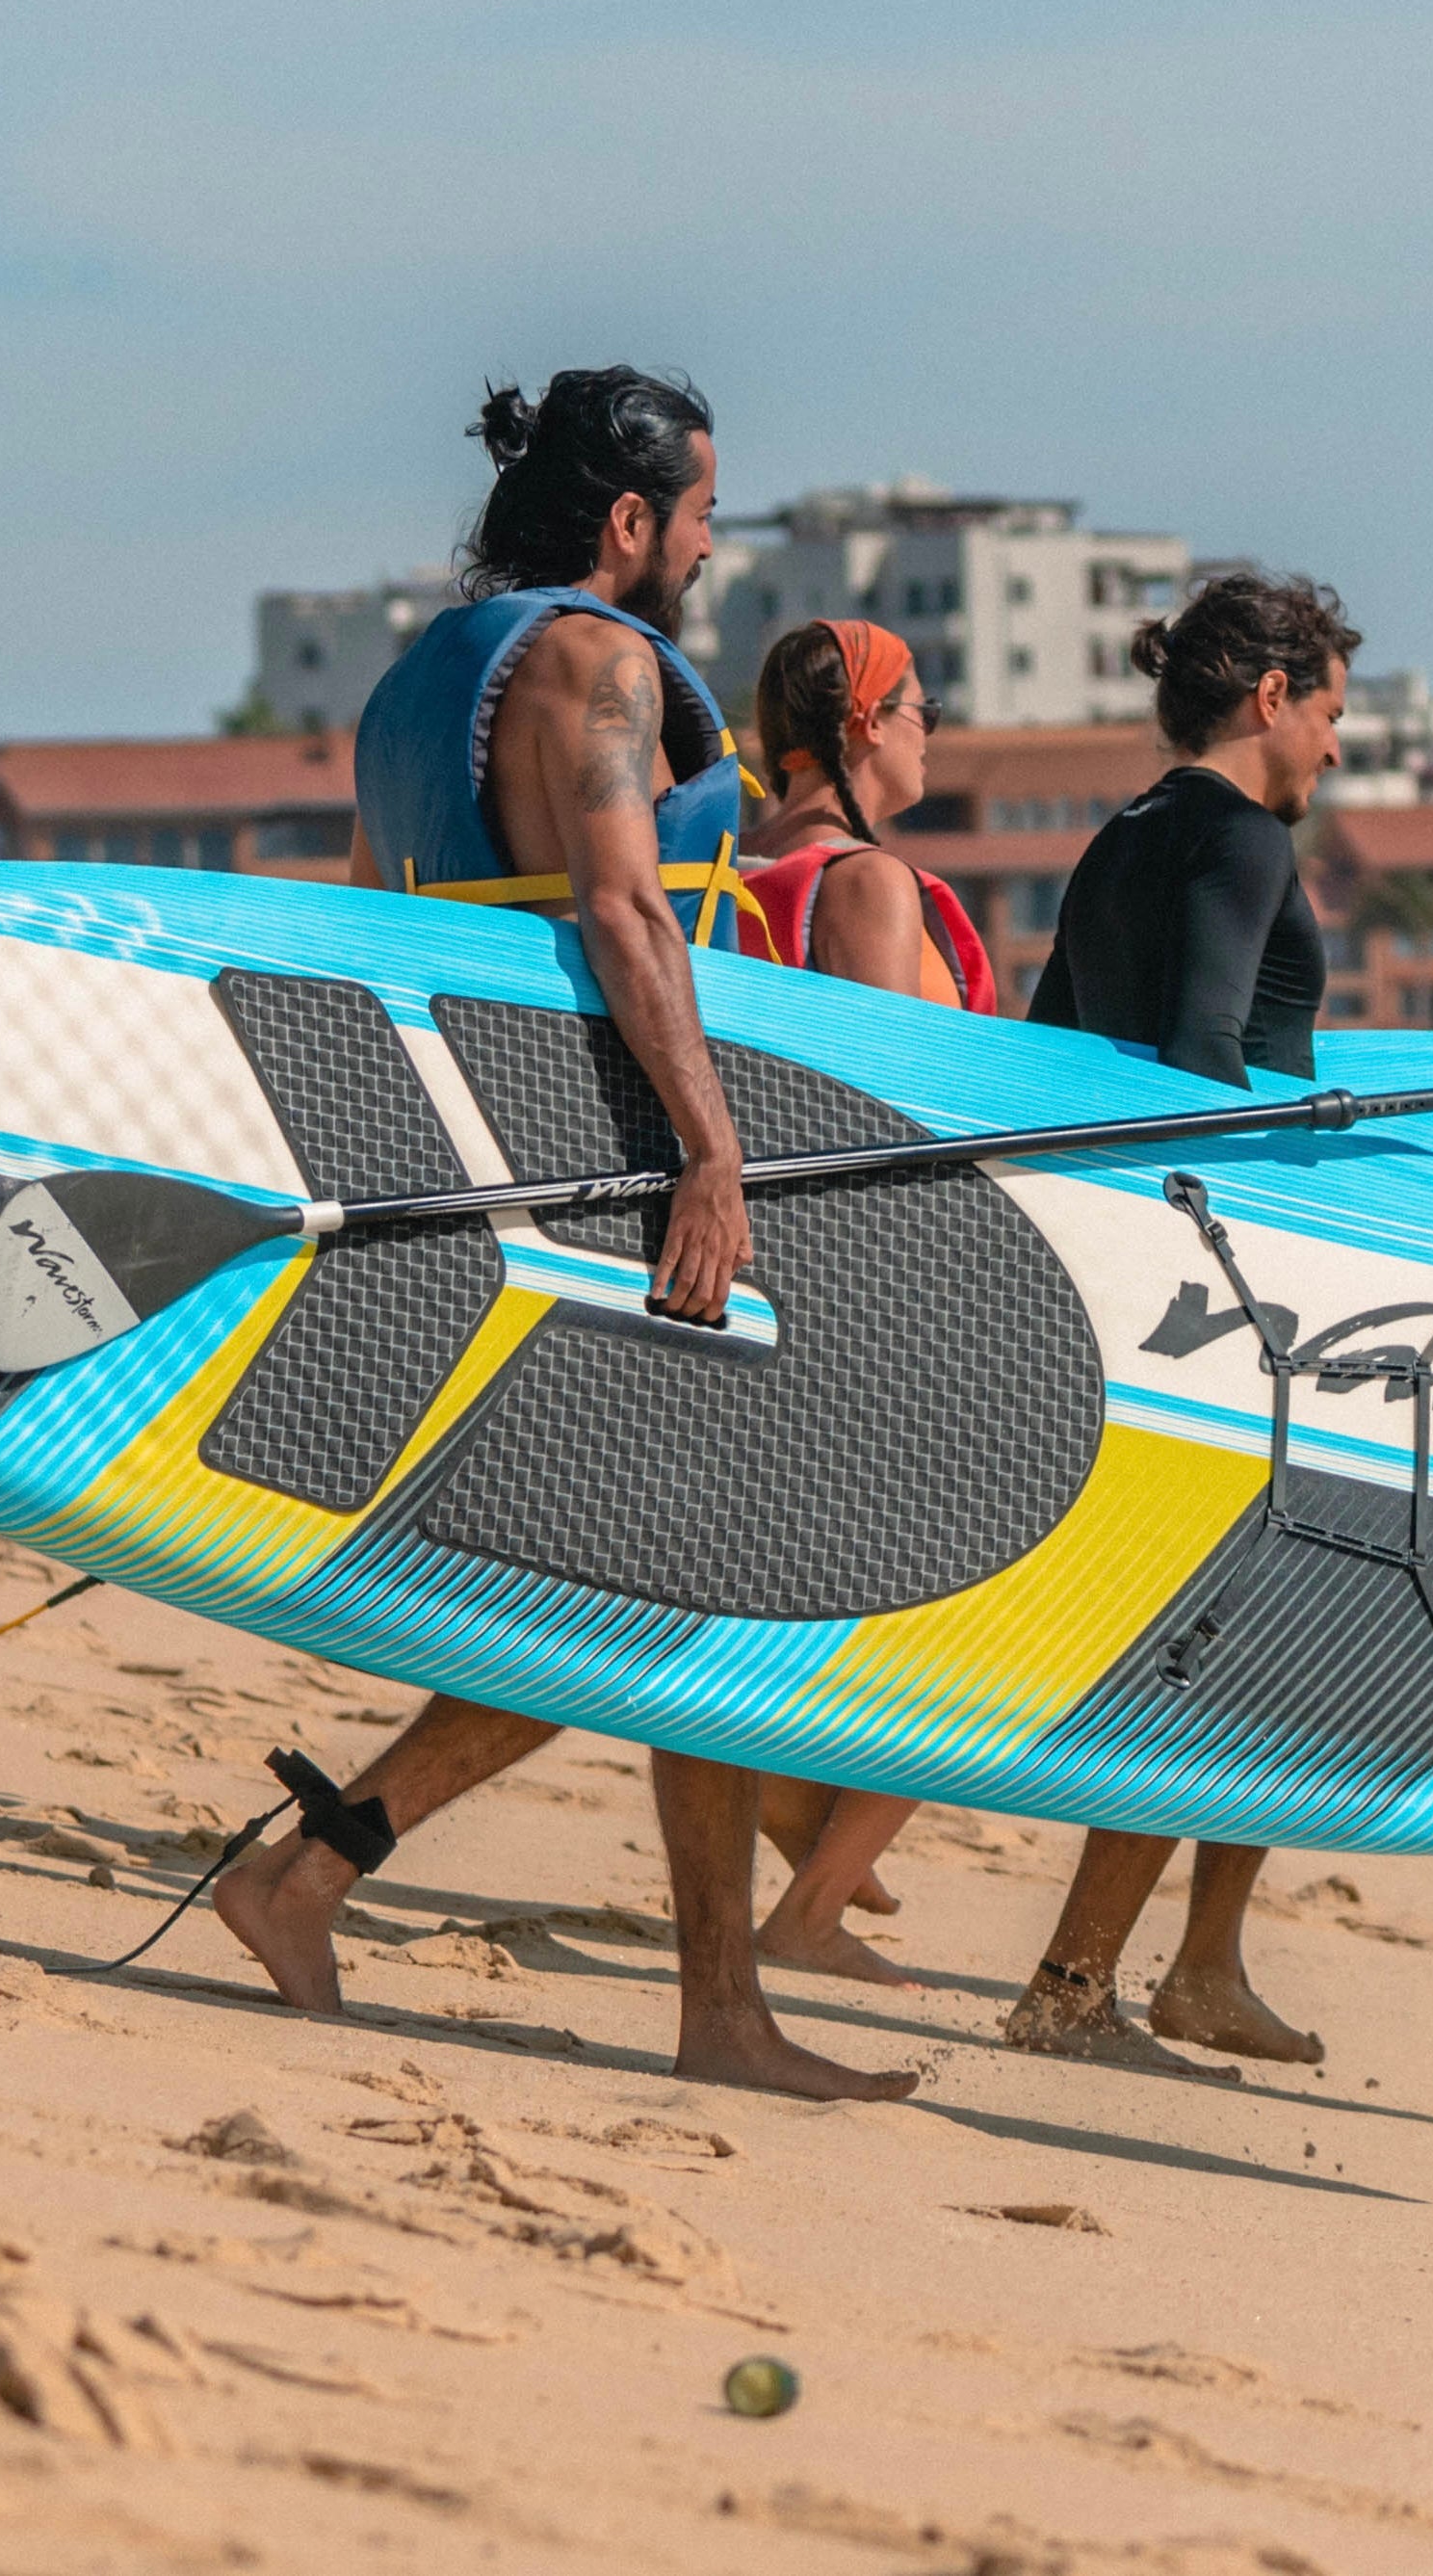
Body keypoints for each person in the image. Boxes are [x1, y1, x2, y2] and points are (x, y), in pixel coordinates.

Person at [212, 365, 915, 2106]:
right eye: (695, 515)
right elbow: (619, 911)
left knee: (639, 1588)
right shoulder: (595, 664)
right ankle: (702, 2010)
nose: (702, 547)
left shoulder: (409, 688)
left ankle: (323, 1882)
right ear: (627, 520)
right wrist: (712, 1151)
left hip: (492, 1155)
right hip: (609, 1166)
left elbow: (392, 931)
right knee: (675, 1582)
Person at [1003, 567, 1361, 2081]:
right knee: (1216, 1636)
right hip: (1223, 1286)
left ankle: (1202, 1962)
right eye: (1333, 710)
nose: (1339, 746)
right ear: (1269, 696)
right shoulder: (1236, 837)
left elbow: (1039, 1052)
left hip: (1131, 1260)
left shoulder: (1124, 835)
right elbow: (1203, 1058)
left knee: (1251, 1634)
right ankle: (1077, 1983)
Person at [733, 617, 993, 1983]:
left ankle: (801, 1829)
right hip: (876, 1294)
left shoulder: (736, 869)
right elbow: (884, 1113)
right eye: (920, 704)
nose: (931, 728)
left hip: (767, 1275)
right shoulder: (867, 884)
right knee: (975, 1612)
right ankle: (813, 1900)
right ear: (865, 726)